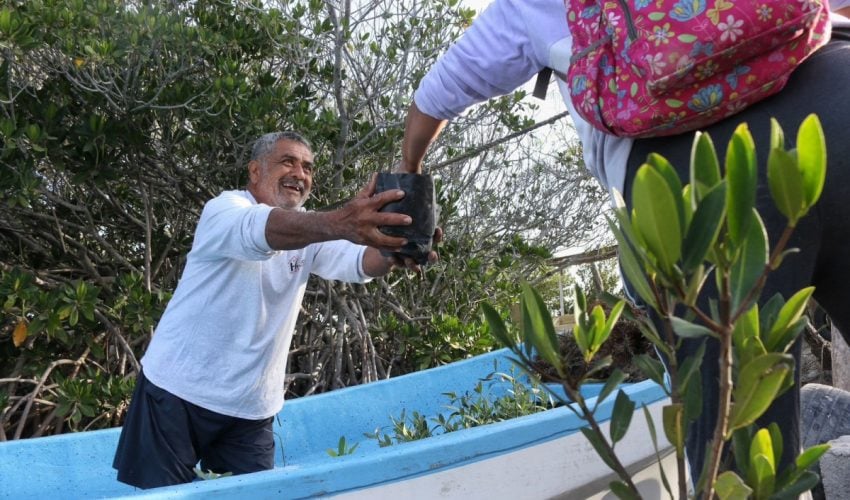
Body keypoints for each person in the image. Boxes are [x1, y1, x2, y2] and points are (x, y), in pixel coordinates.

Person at [398, 0, 850, 484]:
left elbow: (439, 93)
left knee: (740, 463)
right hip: (837, 91)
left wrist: (409, 169)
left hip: (690, 180)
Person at [113, 131, 438, 488]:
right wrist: (342, 221)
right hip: (176, 391)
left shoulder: (310, 232)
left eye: (308, 167)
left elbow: (362, 262)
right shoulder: (224, 210)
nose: (300, 174)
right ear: (255, 171)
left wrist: (396, 246)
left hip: (251, 407)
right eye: (288, 162)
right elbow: (261, 230)